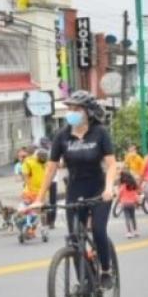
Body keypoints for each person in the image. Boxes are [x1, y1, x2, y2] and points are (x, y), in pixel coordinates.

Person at [35, 91, 117, 286]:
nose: (71, 112)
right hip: (75, 190)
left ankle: (106, 270)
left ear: (88, 112)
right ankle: (84, 280)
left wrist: (108, 188)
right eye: (69, 109)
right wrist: (39, 198)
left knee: (98, 230)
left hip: (99, 190)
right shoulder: (62, 136)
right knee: (73, 238)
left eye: (76, 109)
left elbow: (112, 164)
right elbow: (51, 168)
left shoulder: (100, 133)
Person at [117, 170, 140, 239]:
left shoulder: (123, 186)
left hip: (124, 204)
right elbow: (136, 196)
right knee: (133, 217)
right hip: (132, 204)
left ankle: (129, 232)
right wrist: (137, 203)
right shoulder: (133, 186)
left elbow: (119, 195)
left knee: (127, 218)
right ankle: (135, 231)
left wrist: (118, 201)